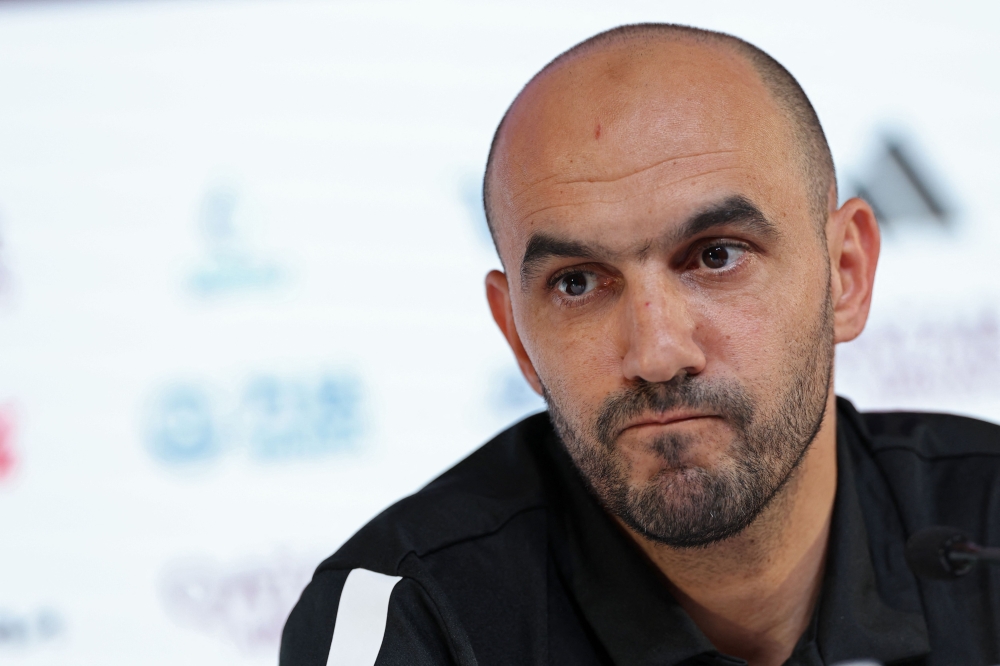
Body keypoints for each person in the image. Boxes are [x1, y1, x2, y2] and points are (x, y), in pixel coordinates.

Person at [280, 23, 1000, 666]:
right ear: (518, 337)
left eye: (716, 256)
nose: (657, 354)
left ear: (846, 274)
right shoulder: (413, 618)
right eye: (577, 283)